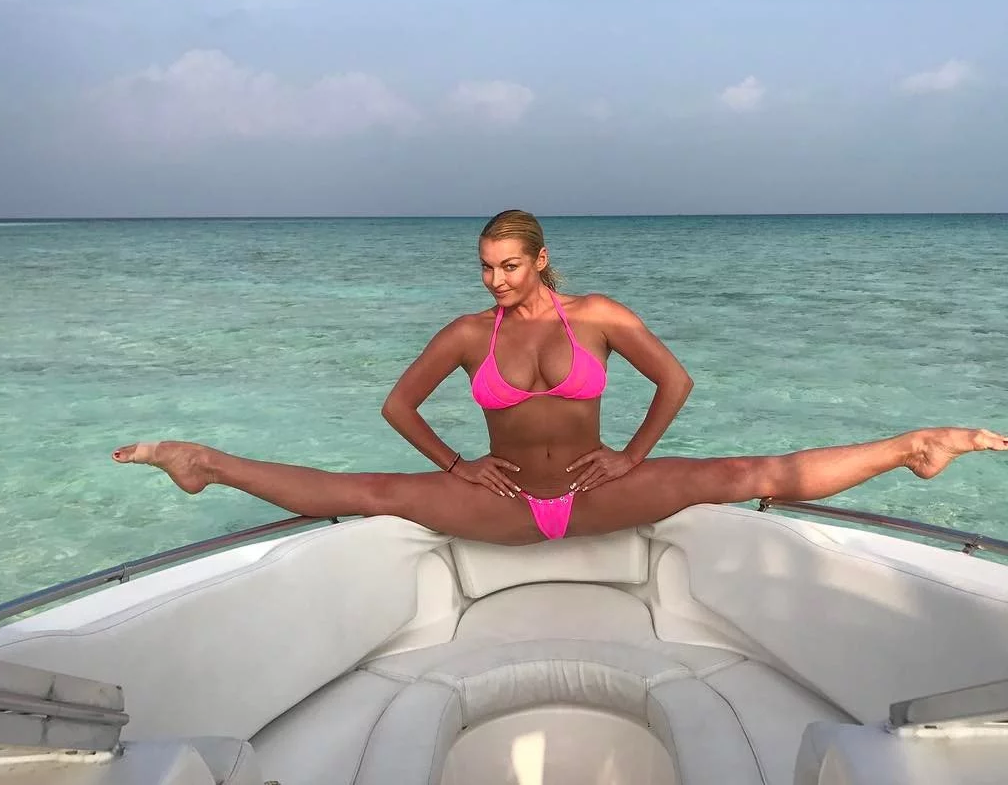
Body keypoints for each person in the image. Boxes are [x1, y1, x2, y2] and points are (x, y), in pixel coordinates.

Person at [113, 209, 1007, 546]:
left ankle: (912, 448)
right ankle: (206, 463)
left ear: (541, 259)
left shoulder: (601, 316)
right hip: (504, 503)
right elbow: (397, 405)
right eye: (485, 267)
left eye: (508, 265)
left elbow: (676, 383)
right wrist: (457, 463)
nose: (495, 280)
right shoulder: (469, 333)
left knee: (744, 473)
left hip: (595, 492)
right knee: (370, 491)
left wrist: (633, 455)